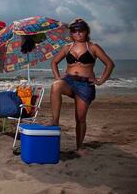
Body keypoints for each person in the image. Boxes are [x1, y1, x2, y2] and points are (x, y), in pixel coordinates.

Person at [48, 18, 114, 156]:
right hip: (69, 80)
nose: (78, 33)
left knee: (80, 118)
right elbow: (54, 62)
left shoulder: (93, 47)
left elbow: (109, 64)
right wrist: (58, 77)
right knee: (56, 86)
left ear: (86, 32)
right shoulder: (67, 48)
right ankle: (55, 121)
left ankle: (79, 147)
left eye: (81, 30)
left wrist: (101, 80)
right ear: (71, 33)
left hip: (85, 85)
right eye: (74, 31)